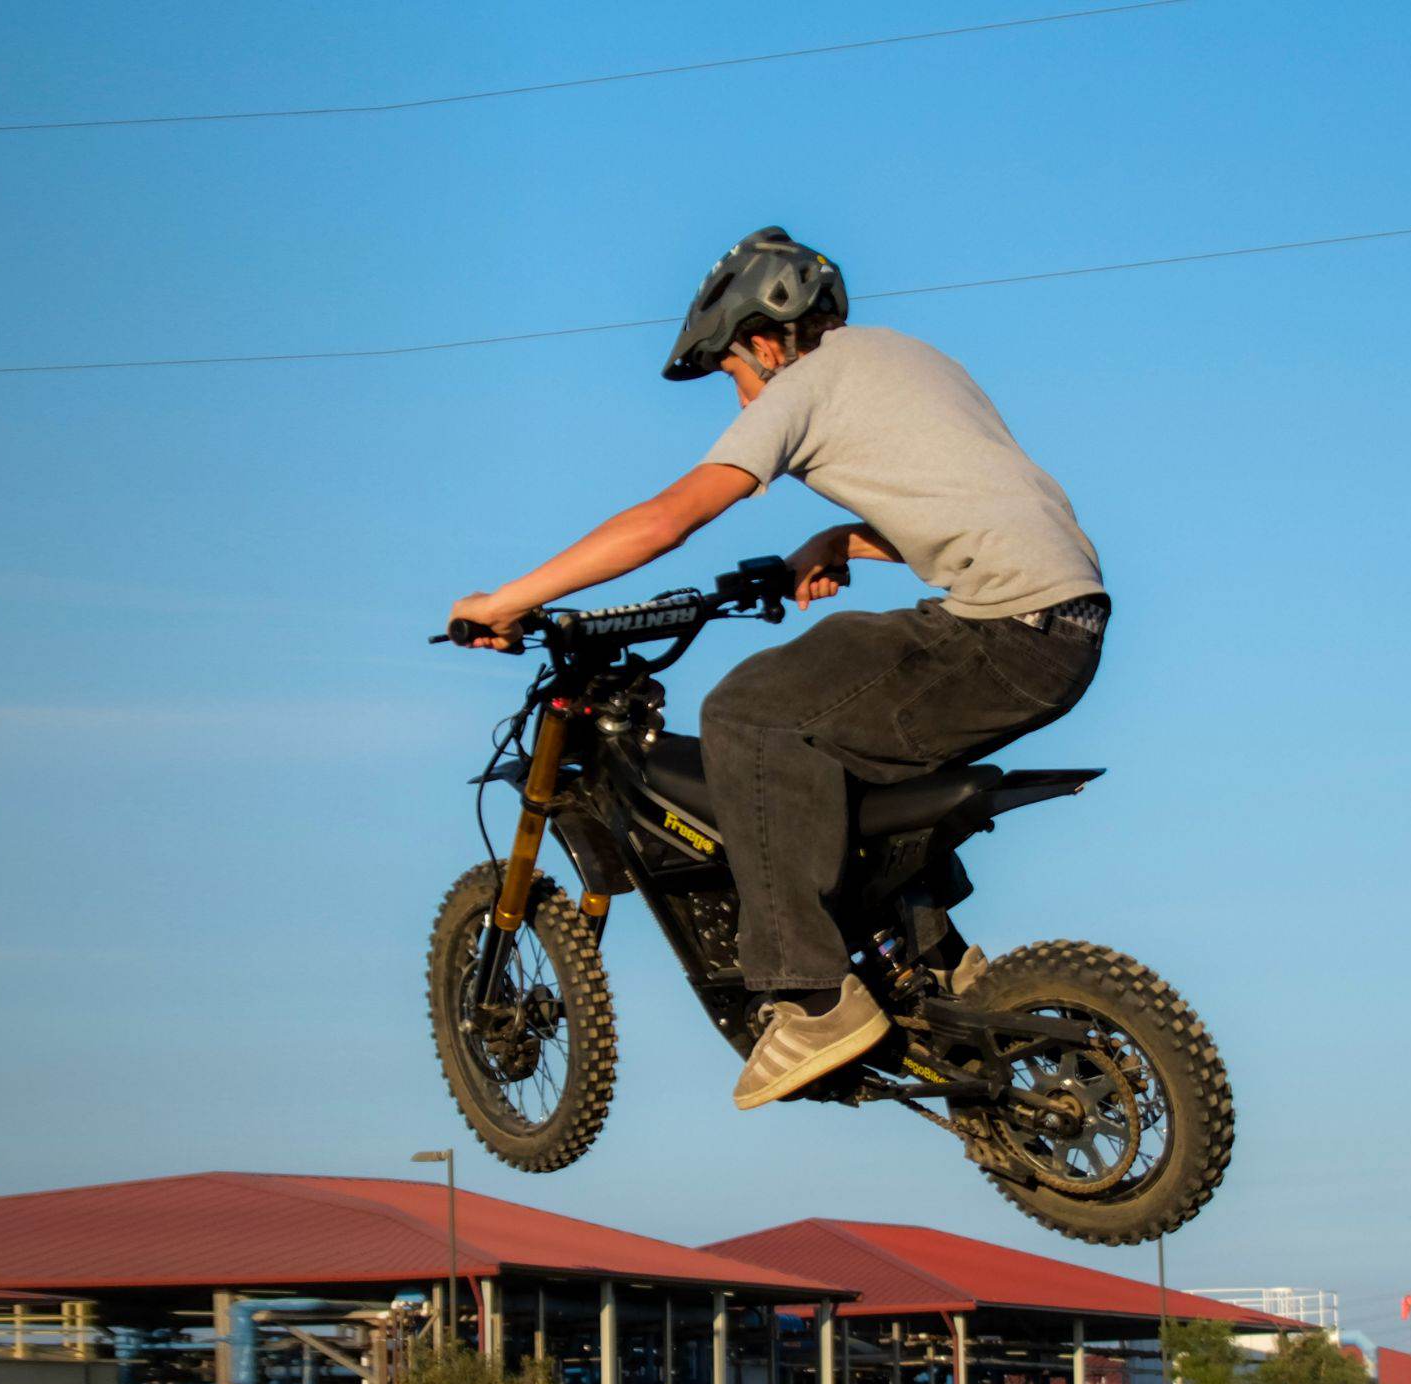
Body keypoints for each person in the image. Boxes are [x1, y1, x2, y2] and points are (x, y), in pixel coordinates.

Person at [443, 227, 1108, 1111]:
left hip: (1004, 630)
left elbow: (665, 521)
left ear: (766, 341)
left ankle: (810, 997)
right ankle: (934, 955)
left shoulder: (802, 387)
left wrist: (506, 599)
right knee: (844, 701)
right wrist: (841, 540)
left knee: (750, 714)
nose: (739, 393)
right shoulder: (911, 360)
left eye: (731, 372)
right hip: (1065, 621)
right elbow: (969, 502)